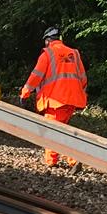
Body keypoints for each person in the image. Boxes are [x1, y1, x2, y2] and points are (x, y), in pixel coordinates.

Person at [19, 25, 88, 167]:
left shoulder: (47, 54)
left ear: (47, 41)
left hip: (55, 100)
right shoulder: (74, 54)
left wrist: (25, 93)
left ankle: (63, 161)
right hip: (72, 100)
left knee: (51, 131)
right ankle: (62, 160)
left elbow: (36, 76)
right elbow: (83, 78)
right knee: (61, 129)